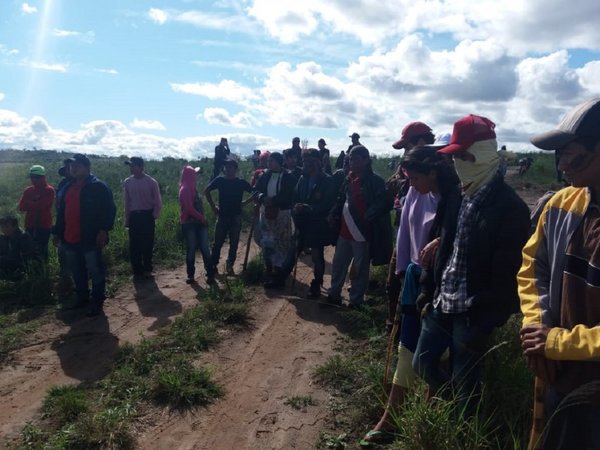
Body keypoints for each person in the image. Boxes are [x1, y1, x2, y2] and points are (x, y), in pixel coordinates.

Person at [412, 115, 530, 414]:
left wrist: (486, 319)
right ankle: (452, 404)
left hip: (473, 312)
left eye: (465, 155)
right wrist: (428, 289)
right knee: (422, 363)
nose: (459, 163)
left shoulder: (510, 208)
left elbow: (507, 275)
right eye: (456, 157)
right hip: (442, 301)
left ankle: (462, 431)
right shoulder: (460, 195)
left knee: (468, 385)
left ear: (487, 152)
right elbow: (444, 245)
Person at [361, 145, 461, 445]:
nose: (410, 183)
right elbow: (405, 230)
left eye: (415, 177)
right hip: (414, 279)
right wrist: (403, 269)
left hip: (443, 285)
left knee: (437, 354)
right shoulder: (416, 192)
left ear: (433, 172)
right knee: (407, 348)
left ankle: (427, 418)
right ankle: (391, 416)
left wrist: (442, 242)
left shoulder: (455, 197)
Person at [519, 98, 600, 449]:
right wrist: (537, 329)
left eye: (574, 154)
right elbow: (532, 270)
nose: (564, 165)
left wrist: (560, 343)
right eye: (560, 156)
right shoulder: (561, 204)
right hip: (560, 378)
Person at [326, 145, 393, 308]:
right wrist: (334, 213)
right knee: (339, 264)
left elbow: (384, 202)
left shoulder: (376, 181)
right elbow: (342, 199)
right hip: (344, 231)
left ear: (366, 160)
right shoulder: (348, 178)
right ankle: (334, 293)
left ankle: (355, 301)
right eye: (350, 159)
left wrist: (366, 216)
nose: (352, 163)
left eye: (356, 159)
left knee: (360, 268)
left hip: (362, 232)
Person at [385, 121, 436, 332]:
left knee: (416, 297)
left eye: (407, 147)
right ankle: (395, 331)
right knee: (394, 286)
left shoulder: (435, 179)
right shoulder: (408, 176)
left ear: (422, 142)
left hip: (423, 255)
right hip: (405, 240)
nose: (405, 152)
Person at [53, 153, 116, 317]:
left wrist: (104, 230)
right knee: (77, 271)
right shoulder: (67, 186)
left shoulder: (98, 187)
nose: (73, 168)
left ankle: (97, 301)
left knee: (95, 270)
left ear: (87, 167)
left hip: (90, 237)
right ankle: (82, 298)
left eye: (76, 165)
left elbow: (109, 210)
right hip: (70, 237)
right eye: (71, 166)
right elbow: (62, 212)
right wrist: (57, 233)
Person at [292, 149, 336, 298]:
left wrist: (309, 208)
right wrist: (296, 208)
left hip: (317, 224)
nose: (306, 164)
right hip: (302, 222)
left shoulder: (328, 180)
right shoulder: (302, 179)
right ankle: (280, 276)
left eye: (310, 161)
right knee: (293, 251)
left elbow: (328, 204)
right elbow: (295, 197)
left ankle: (317, 283)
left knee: (317, 256)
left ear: (318, 162)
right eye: (304, 161)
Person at [204, 156, 253, 276]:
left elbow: (255, 192)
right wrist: (213, 206)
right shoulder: (220, 181)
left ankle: (230, 266)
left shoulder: (240, 183)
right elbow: (206, 191)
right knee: (217, 243)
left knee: (234, 243)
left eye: (230, 167)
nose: (228, 169)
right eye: (226, 167)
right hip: (222, 216)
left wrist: (245, 203)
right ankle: (213, 265)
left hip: (236, 217)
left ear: (236, 169)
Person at [254, 152, 296, 289]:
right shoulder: (264, 175)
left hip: (282, 213)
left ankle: (279, 273)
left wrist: (274, 201)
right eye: (269, 161)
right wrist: (262, 197)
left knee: (281, 241)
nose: (269, 163)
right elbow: (256, 191)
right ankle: (269, 268)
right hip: (266, 213)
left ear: (279, 162)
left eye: (272, 161)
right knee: (267, 240)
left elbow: (289, 194)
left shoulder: (289, 176)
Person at [123, 157, 162, 278]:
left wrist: (154, 215)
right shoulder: (127, 182)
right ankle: (137, 270)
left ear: (141, 167)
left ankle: (147, 269)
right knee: (134, 244)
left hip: (147, 216)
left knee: (147, 244)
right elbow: (127, 202)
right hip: (134, 216)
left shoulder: (151, 182)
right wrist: (127, 219)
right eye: (130, 166)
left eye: (133, 166)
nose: (131, 168)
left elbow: (158, 201)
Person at [179, 165, 215, 285]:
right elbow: (189, 209)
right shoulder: (185, 189)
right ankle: (191, 275)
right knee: (192, 249)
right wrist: (202, 218)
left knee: (203, 248)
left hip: (196, 223)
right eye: (194, 174)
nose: (196, 176)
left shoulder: (191, 188)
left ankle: (210, 274)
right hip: (191, 224)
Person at [18, 165, 55, 261]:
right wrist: (35, 202)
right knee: (29, 249)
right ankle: (32, 270)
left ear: (42, 177)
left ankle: (42, 272)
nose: (33, 179)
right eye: (32, 177)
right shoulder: (28, 190)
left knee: (42, 249)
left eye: (36, 177)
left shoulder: (49, 190)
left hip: (44, 225)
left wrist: (30, 203)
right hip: (30, 224)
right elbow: (21, 207)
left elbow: (42, 206)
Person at [55, 160, 73, 291]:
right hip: (63, 222)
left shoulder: (82, 185)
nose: (68, 171)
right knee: (62, 252)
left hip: (76, 224)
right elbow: (59, 206)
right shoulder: (62, 184)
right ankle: (66, 280)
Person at [0, 215, 37, 281]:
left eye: (7, 227)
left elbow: (24, 258)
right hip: (11, 263)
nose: (4, 229)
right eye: (2, 227)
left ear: (15, 226)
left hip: (22, 268)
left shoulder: (23, 237)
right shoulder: (5, 237)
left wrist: (3, 259)